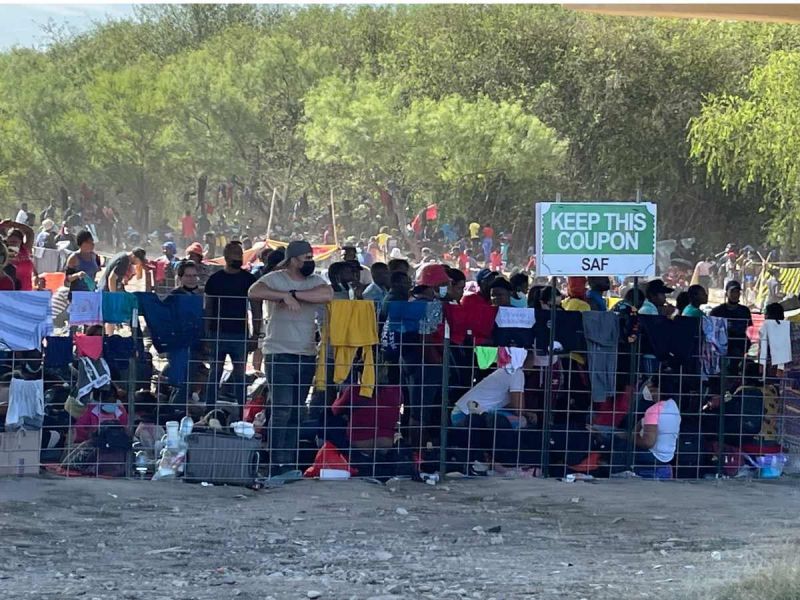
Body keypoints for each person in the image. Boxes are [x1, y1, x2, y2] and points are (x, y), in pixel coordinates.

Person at [248, 240, 333, 479]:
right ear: (294, 259)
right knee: (281, 409)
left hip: (306, 353)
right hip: (278, 352)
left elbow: (327, 294)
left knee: (297, 410)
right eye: (306, 257)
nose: (310, 262)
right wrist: (283, 296)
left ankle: (290, 462)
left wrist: (295, 295)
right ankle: (277, 463)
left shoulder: (314, 281)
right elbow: (254, 291)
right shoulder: (276, 279)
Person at [204, 242, 262, 407]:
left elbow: (256, 308)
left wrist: (256, 335)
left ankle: (242, 411)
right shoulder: (215, 279)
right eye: (234, 253)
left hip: (240, 334)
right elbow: (208, 308)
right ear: (226, 256)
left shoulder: (249, 279)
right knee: (214, 373)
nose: (238, 256)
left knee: (240, 376)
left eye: (239, 253)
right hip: (217, 333)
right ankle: (209, 410)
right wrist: (206, 334)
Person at [591, 373, 681, 476]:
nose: (647, 388)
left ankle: (612, 472)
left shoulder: (654, 410)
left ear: (656, 389)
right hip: (667, 455)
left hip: (654, 455)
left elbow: (648, 443)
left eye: (649, 385)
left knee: (617, 441)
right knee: (614, 434)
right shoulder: (672, 405)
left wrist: (627, 436)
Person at [710, 280, 752, 373]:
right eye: (732, 292)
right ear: (726, 293)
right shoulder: (717, 311)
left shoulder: (744, 311)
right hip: (720, 344)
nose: (735, 295)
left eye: (737, 292)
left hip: (738, 344)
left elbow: (746, 327)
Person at [2, 222, 38, 291]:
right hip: (8, 291)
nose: (13, 244)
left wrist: (13, 224)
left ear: (21, 241)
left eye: (15, 242)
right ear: (6, 240)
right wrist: (1, 225)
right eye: (11, 242)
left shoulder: (25, 250)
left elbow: (30, 232)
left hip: (26, 290)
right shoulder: (3, 252)